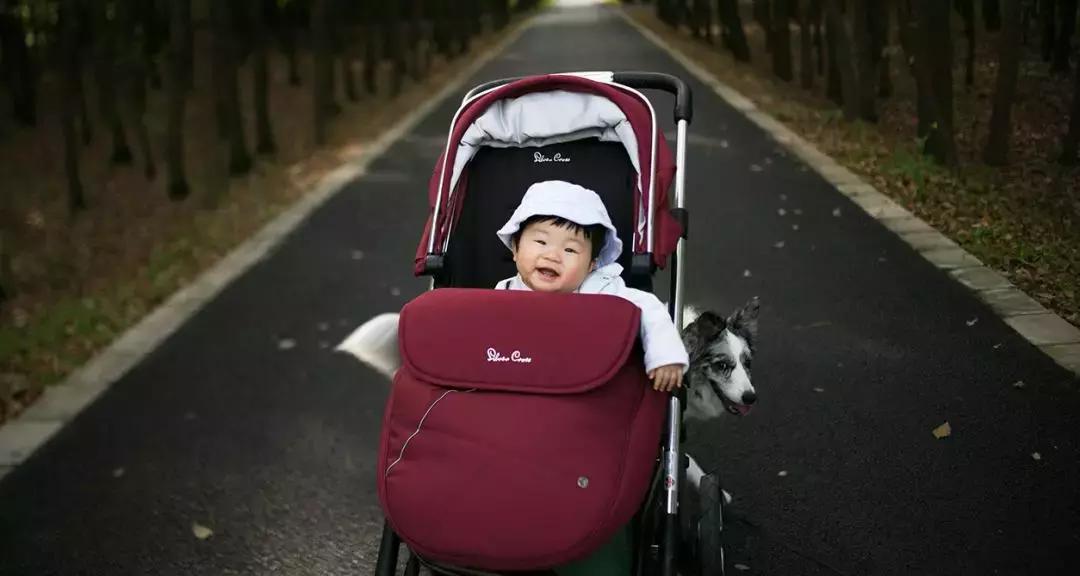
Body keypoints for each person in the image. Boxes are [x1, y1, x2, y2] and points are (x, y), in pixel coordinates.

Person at [495, 179, 688, 392]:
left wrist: (665, 355)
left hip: (584, 385)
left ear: (591, 265)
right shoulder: (502, 294)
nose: (552, 256)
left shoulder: (600, 289)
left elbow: (648, 309)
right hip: (519, 383)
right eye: (541, 242)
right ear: (515, 248)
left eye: (570, 250)